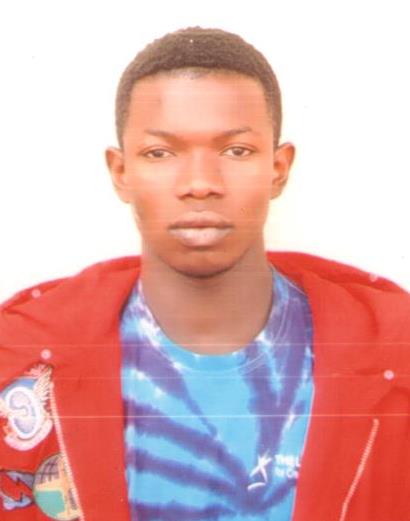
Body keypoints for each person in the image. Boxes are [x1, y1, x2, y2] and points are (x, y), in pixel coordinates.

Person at [0, 26, 409, 521]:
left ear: (278, 168)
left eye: (236, 151)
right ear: (120, 172)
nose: (199, 183)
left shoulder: (396, 357)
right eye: (160, 153)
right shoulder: (19, 363)